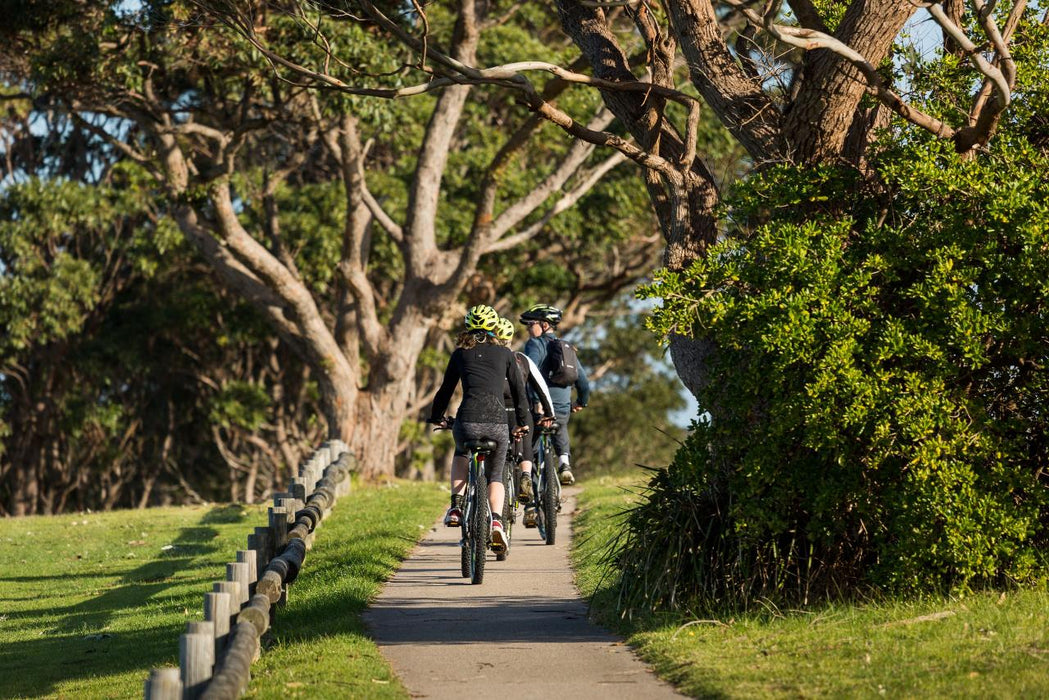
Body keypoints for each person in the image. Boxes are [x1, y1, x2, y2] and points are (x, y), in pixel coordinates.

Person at [428, 304, 530, 553]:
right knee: (495, 476)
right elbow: (519, 392)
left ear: (468, 328)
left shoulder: (460, 354)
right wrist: (522, 422)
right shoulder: (505, 354)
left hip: (468, 421)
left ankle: (456, 506)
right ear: (494, 328)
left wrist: (436, 417)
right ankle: (496, 520)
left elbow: (445, 391)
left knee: (461, 452)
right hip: (497, 422)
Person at [519, 303, 590, 486]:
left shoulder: (535, 344)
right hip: (562, 405)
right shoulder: (567, 347)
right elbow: (582, 380)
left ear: (544, 325)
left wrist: (535, 401)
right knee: (560, 425)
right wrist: (581, 402)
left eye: (531, 324)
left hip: (538, 407)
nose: (528, 328)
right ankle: (564, 464)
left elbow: (530, 373)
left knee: (529, 448)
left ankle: (531, 504)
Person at [493, 317, 555, 507]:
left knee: (498, 453)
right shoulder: (522, 359)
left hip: (496, 412)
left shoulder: (489, 359)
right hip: (520, 411)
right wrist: (549, 413)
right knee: (526, 436)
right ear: (510, 338)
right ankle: (526, 475)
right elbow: (541, 388)